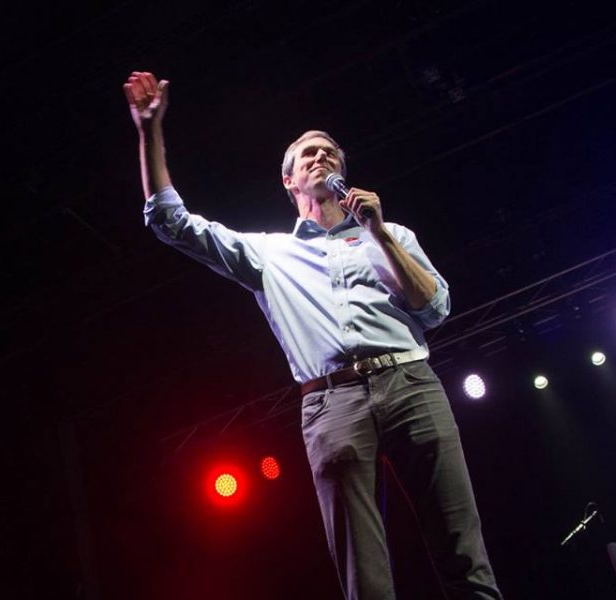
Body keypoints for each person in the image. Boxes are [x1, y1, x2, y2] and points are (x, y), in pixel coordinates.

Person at [123, 71, 502, 599]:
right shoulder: (270, 254)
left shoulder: (391, 234)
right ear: (290, 182)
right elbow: (171, 222)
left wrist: (375, 232)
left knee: (462, 548)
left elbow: (435, 308)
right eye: (309, 156)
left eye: (330, 154)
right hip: (331, 402)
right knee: (363, 574)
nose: (321, 158)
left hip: (410, 382)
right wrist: (149, 131)